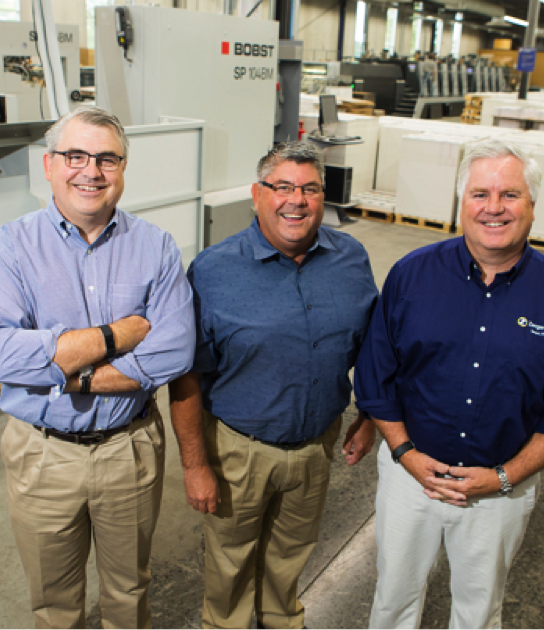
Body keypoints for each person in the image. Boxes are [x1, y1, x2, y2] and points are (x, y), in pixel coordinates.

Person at [354, 138, 544, 630]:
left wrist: (505, 477)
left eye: (509, 195)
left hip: (500, 492)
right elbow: (377, 377)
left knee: (479, 611)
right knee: (392, 601)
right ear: (461, 201)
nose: (494, 208)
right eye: (480, 194)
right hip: (410, 479)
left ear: (531, 205)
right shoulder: (410, 276)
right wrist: (405, 453)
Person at [0, 106, 195, 630]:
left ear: (122, 168)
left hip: (129, 448)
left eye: (106, 159)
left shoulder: (156, 247)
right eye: (75, 156)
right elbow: (0, 356)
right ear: (49, 165)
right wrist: (116, 336)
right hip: (43, 454)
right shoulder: (11, 247)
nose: (90, 171)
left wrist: (74, 374)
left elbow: (175, 351)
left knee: (129, 590)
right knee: (54, 603)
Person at [168, 141, 380, 630]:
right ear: (257, 195)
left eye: (309, 189)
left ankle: (282, 619)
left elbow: (372, 344)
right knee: (231, 561)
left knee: (291, 553)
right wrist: (195, 465)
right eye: (282, 187)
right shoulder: (214, 270)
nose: (296, 201)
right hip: (238, 450)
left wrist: (368, 415)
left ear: (323, 197)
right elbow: (187, 374)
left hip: (316, 446)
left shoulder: (351, 258)